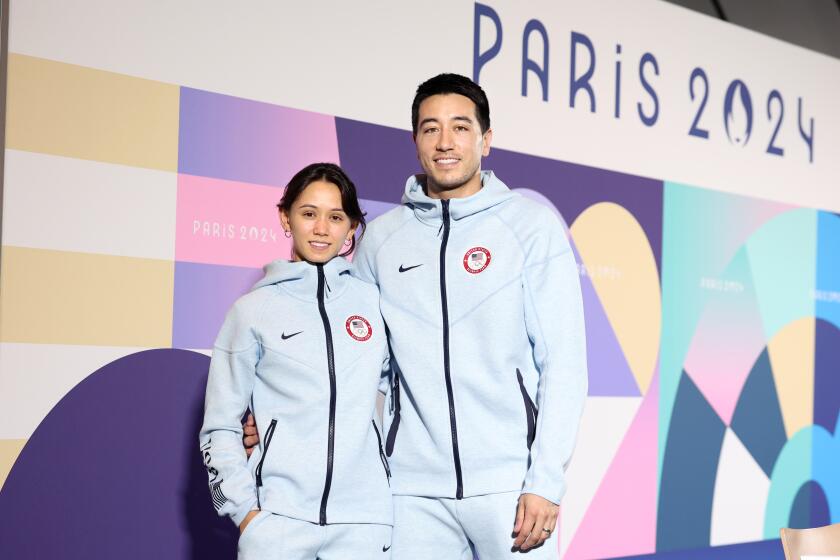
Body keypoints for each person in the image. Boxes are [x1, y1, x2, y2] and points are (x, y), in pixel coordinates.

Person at [245, 73, 587, 559]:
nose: (445, 142)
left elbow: (565, 364)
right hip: (410, 493)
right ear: (415, 141)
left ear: (486, 140)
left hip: (510, 487)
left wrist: (546, 480)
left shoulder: (531, 228)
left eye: (460, 127)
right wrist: (282, 410)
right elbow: (353, 360)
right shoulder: (383, 240)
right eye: (430, 128)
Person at [200, 163, 393, 559]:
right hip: (278, 523)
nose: (322, 229)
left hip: (365, 526)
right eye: (309, 213)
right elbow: (219, 425)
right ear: (285, 218)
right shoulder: (252, 311)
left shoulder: (375, 306)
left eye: (336, 217)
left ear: (351, 227)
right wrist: (246, 514)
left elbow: (403, 405)